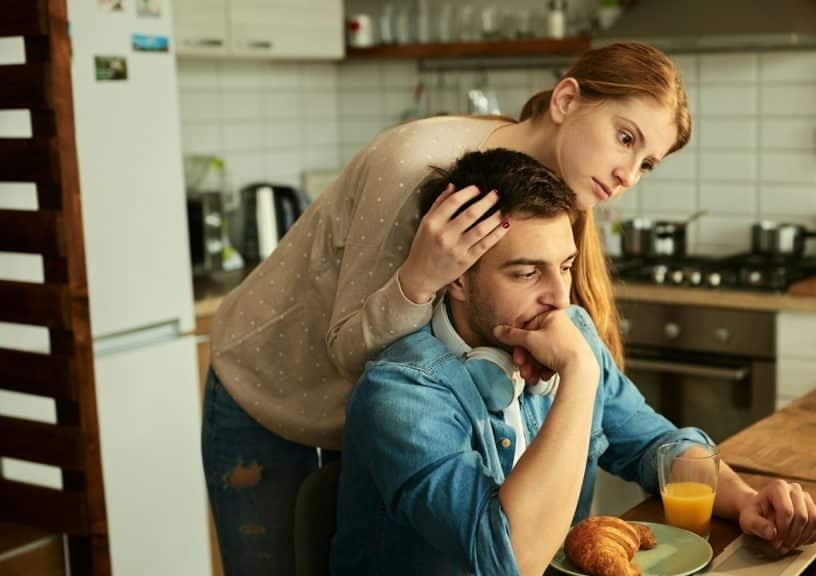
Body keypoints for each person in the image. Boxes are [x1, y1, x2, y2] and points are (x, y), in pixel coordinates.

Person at [202, 41, 691, 575]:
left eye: (646, 163)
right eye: (624, 138)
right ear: (566, 100)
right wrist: (418, 280)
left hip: (381, 415)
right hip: (271, 388)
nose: (627, 175)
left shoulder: (537, 187)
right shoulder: (417, 169)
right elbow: (360, 358)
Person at [330, 149, 816, 575]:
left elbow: (654, 445)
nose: (558, 297)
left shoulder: (571, 333)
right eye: (526, 273)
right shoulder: (401, 394)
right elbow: (508, 559)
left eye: (565, 267)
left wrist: (745, 501)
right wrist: (580, 377)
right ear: (456, 279)